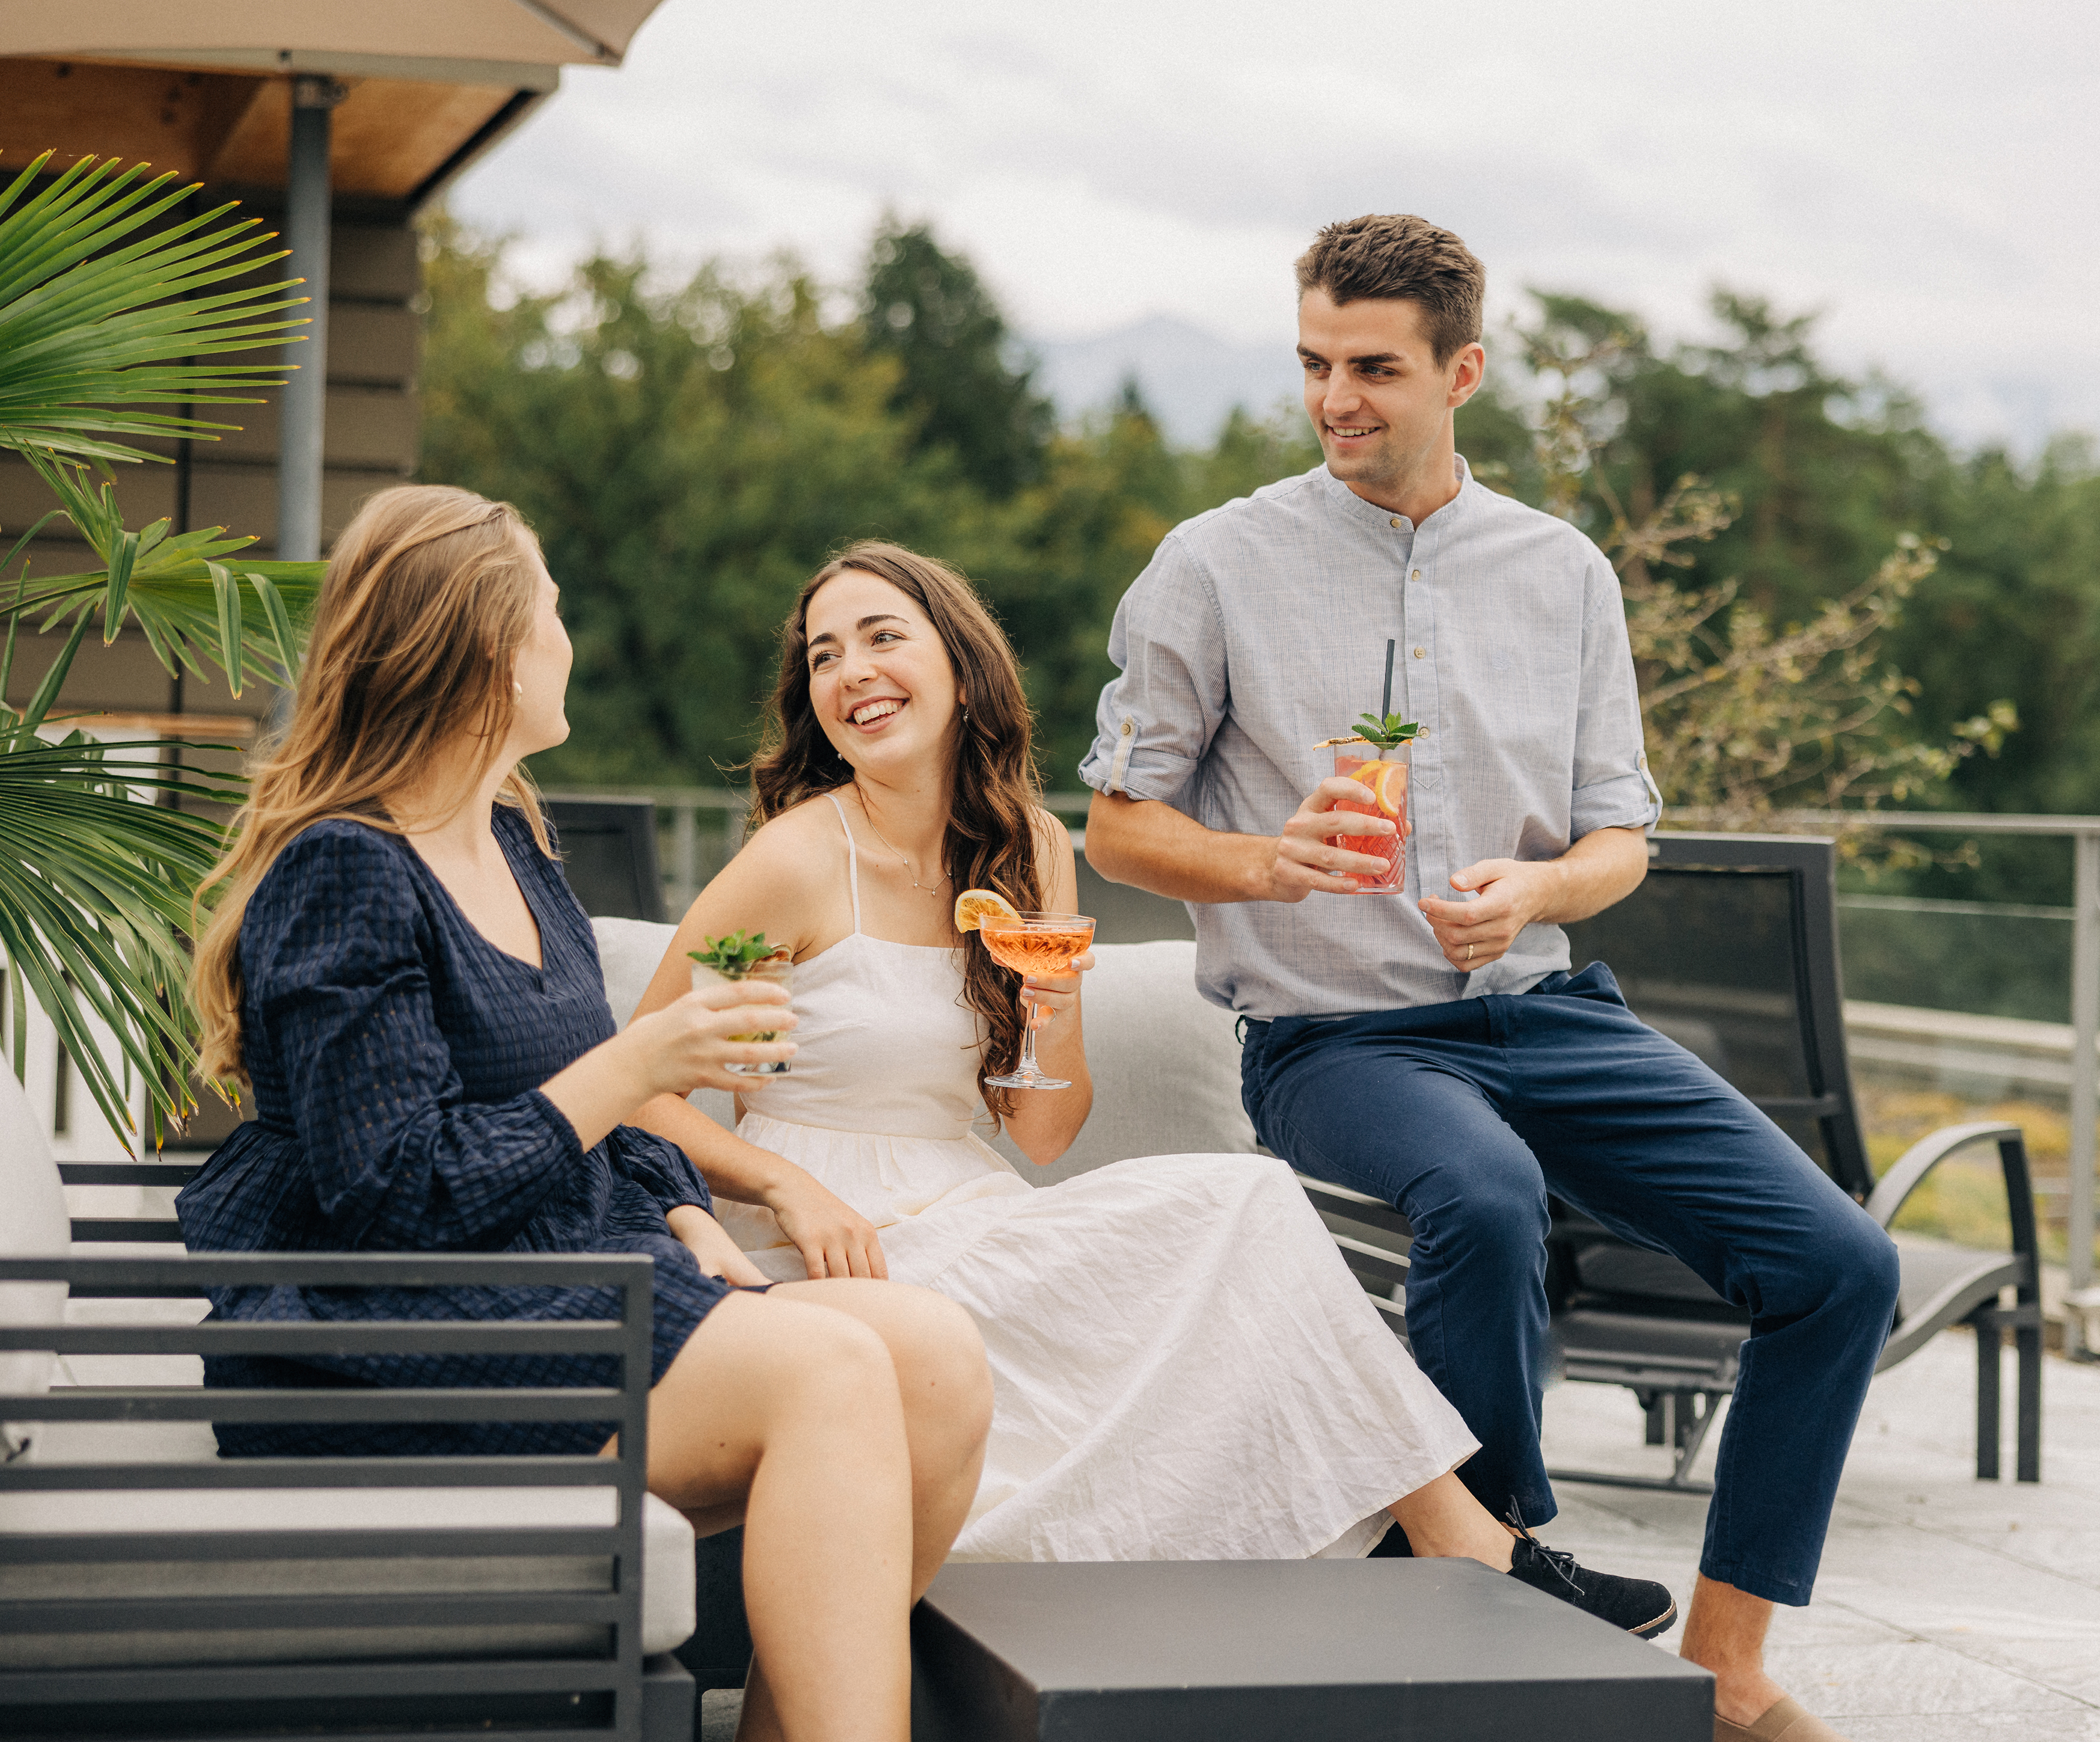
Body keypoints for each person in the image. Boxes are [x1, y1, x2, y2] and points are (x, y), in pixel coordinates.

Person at [1077, 214, 1900, 1742]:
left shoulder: (1561, 572)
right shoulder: (1214, 565)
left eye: (1375, 369)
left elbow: (1618, 838)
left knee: (1844, 1270)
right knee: (1483, 1191)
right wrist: (1270, 863)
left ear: (1464, 369)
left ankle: (1727, 1671)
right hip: (1336, 1043)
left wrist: (1541, 886)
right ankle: (1504, 1588)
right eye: (1316, 363)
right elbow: (1117, 827)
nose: (1338, 399)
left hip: (1549, 1011)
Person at [624, 540, 1674, 1636]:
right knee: (1236, 1230)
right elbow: (636, 1086)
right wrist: (786, 1189)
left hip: (974, 1205)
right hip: (831, 1236)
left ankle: (1446, 1540)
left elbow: (1043, 1130)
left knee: (1250, 1206)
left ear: (960, 661)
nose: (852, 673)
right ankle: (1470, 1547)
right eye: (823, 656)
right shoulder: (791, 861)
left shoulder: (1029, 851)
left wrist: (1044, 997)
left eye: (884, 637)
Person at [179, 485, 992, 1742]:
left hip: (549, 1274)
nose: (570, 637)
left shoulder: (512, 842)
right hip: (382, 1332)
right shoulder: (344, 867)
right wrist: (639, 1065)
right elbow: (394, 1193)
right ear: (491, 650)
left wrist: (675, 1203)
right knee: (827, 1370)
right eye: (552, 609)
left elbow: (561, 1105)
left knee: (932, 1355)